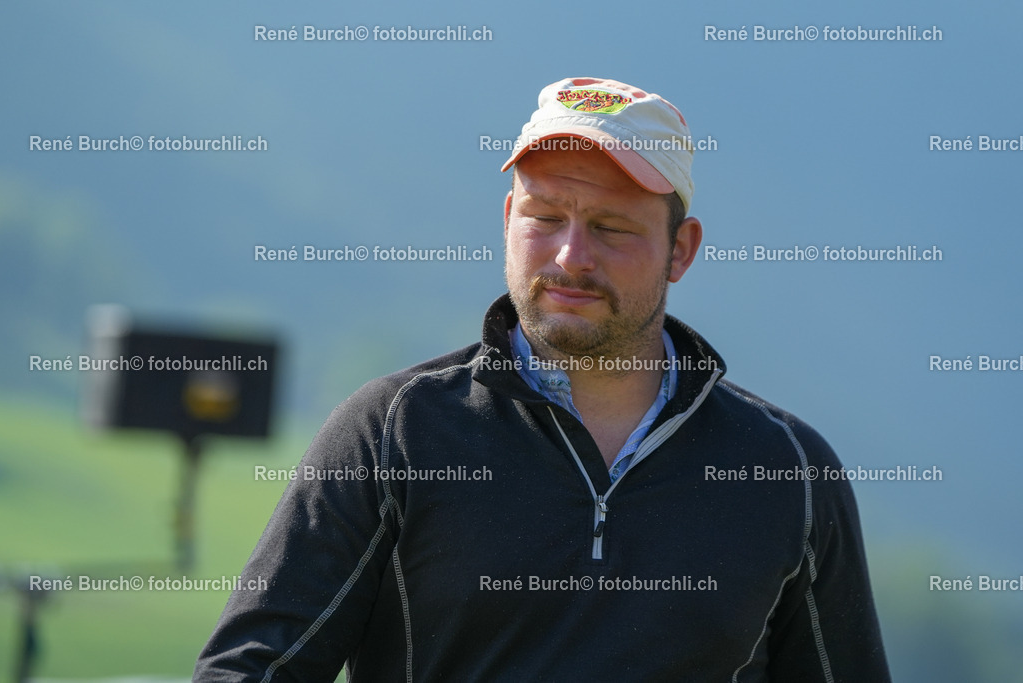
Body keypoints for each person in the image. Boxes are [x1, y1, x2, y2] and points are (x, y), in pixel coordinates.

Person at [195, 77, 891, 681]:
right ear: (508, 221)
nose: (571, 256)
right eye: (546, 217)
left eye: (612, 227)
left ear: (681, 250)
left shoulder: (788, 470)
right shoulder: (392, 432)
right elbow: (249, 670)